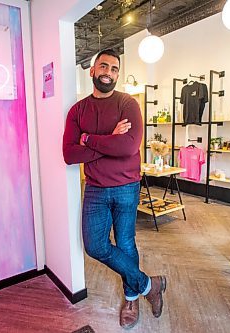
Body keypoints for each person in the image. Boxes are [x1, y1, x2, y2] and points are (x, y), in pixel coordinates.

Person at [62, 49, 167, 329]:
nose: (109, 72)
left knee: (125, 243)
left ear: (117, 74)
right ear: (92, 71)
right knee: (95, 246)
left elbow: (128, 147)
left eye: (114, 68)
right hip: (95, 189)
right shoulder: (78, 110)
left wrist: (89, 141)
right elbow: (70, 155)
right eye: (103, 66)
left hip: (126, 187)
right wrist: (109, 141)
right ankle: (149, 284)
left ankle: (131, 297)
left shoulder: (128, 104)